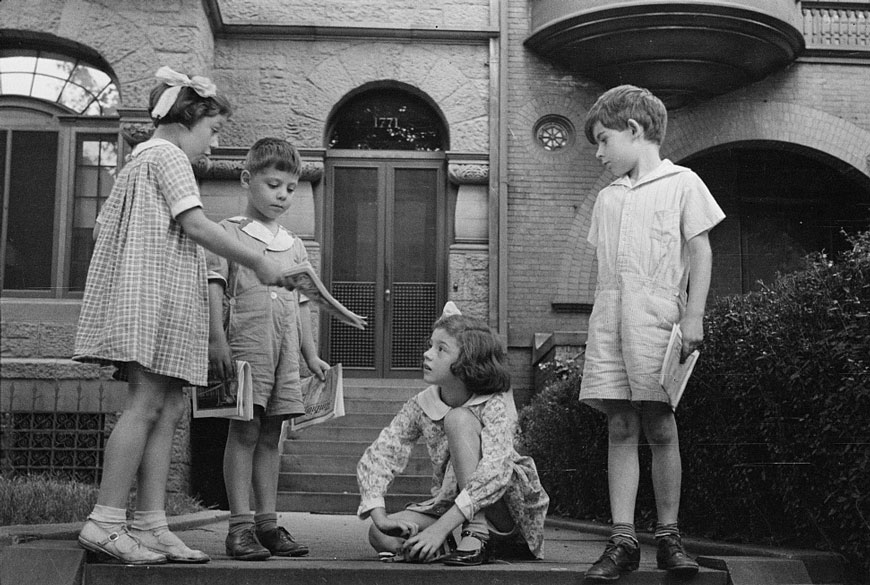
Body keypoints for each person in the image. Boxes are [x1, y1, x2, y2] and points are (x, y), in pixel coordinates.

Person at [73, 66, 287, 565]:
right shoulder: (166, 155)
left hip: (160, 297)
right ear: (188, 117)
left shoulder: (140, 161)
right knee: (145, 405)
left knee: (168, 409)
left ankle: (150, 524)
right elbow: (194, 222)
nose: (211, 146)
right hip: (151, 298)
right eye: (212, 131)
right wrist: (255, 257)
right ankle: (105, 519)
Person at [578, 85, 725, 581]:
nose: (599, 154)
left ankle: (668, 536)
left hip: (659, 320)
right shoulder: (607, 198)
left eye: (603, 140)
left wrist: (694, 315)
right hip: (610, 322)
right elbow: (606, 271)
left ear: (634, 131)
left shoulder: (683, 183)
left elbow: (700, 252)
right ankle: (622, 541)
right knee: (620, 425)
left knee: (660, 425)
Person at [206, 137, 329, 561]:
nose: (282, 195)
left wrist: (310, 354)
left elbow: (301, 304)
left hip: (284, 355)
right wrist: (215, 340)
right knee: (243, 430)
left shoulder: (294, 244)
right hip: (246, 345)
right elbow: (215, 287)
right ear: (247, 179)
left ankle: (268, 524)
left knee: (272, 436)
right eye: (274, 184)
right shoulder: (228, 233)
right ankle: (239, 527)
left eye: (291, 188)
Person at [357, 302, 550, 566]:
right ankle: (441, 546)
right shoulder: (421, 404)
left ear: (466, 361)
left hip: (505, 512)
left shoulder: (492, 402)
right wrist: (380, 516)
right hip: (453, 508)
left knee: (458, 419)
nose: (427, 354)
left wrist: (438, 529)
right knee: (380, 535)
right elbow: (382, 453)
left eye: (441, 349)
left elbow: (496, 472)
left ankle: (478, 532)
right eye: (430, 345)